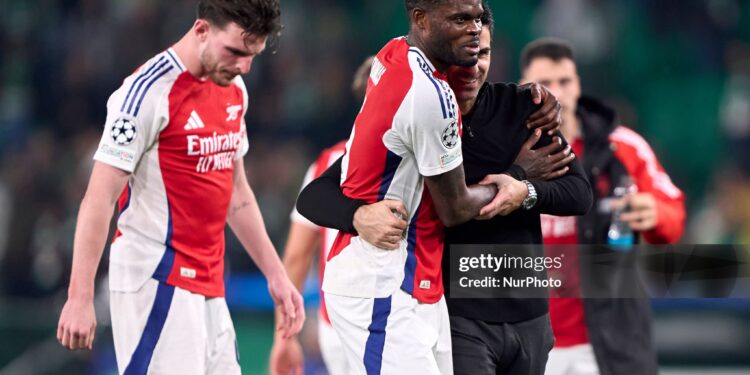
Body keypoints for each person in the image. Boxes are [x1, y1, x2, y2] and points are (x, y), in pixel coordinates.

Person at [296, 4, 593, 374]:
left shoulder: (521, 109)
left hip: (525, 312)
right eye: (463, 50)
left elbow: (580, 193)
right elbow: (314, 195)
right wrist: (357, 216)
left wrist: (528, 191)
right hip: (455, 312)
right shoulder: (423, 109)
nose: (473, 66)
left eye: (482, 53)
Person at [56, 1, 305, 373]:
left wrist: (276, 275)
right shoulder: (143, 93)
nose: (243, 67)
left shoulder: (233, 89)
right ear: (202, 30)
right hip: (156, 278)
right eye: (236, 51)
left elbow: (236, 193)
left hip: (210, 282)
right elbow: (99, 197)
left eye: (252, 55)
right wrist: (80, 296)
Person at [519, 37, 686, 375]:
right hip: (528, 342)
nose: (557, 93)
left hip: (607, 343)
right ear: (524, 89)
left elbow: (673, 216)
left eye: (564, 81)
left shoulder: (622, 149)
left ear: (578, 84)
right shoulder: (504, 152)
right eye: (545, 84)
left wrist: (656, 213)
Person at [269, 56, 374, 375]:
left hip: (338, 328)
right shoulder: (428, 163)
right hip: (385, 322)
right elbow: (297, 257)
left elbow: (297, 257)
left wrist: (283, 339)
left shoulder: (326, 163)